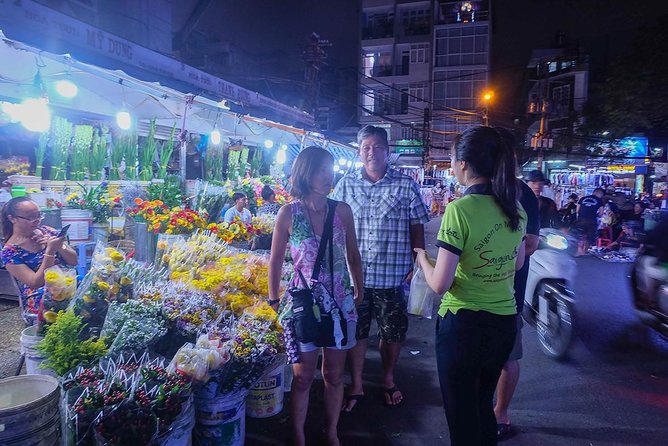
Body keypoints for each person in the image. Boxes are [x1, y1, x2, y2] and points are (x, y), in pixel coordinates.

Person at [415, 126, 526, 446]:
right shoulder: (515, 209)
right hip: (503, 324)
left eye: (451, 160)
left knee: (461, 416)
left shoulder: (459, 210)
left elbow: (439, 284)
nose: (451, 167)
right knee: (482, 407)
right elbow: (517, 263)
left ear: (463, 164)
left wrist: (423, 258)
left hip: (464, 328)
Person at [268, 146, 363, 446]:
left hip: (339, 305)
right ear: (306, 173)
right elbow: (275, 259)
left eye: (330, 169)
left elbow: (353, 253)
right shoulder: (288, 213)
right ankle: (298, 434)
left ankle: (331, 430)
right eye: (322, 170)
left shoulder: (342, 210)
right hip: (305, 306)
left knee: (334, 375)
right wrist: (273, 299)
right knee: (303, 377)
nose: (328, 176)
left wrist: (358, 288)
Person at [331, 125, 429, 411]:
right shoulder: (346, 184)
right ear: (359, 151)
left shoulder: (406, 184)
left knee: (393, 333)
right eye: (365, 148)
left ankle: (388, 378)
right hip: (355, 277)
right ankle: (358, 383)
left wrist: (417, 262)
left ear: (388, 151)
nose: (371, 152)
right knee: (358, 332)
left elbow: (417, 227)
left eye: (376, 147)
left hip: (393, 274)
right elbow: (334, 225)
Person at [494, 135, 541, 442]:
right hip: (488, 292)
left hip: (507, 292)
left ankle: (499, 413)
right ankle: (489, 412)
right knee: (498, 356)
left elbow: (532, 243)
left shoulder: (522, 193)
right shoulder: (480, 192)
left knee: (507, 356)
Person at [0, 197, 78, 325]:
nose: (36, 221)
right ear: (12, 218)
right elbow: (35, 282)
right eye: (30, 217)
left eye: (39, 216)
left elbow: (73, 260)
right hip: (41, 296)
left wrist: (59, 245)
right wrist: (50, 251)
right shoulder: (10, 251)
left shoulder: (47, 231)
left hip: (67, 284)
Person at [576, 187, 605, 255]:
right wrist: (597, 216)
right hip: (591, 220)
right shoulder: (600, 201)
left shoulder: (582, 198)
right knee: (590, 236)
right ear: (600, 194)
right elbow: (601, 213)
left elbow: (577, 210)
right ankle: (584, 250)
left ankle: (579, 250)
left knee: (581, 235)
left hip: (581, 218)